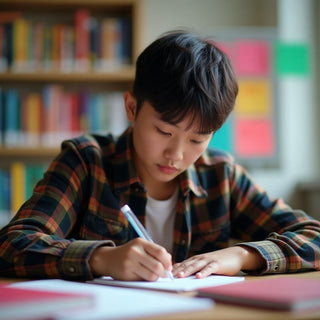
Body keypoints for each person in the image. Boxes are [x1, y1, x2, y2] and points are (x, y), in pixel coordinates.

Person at [0, 30, 319, 282]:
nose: (176, 155)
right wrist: (102, 258)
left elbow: (314, 237)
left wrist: (240, 255)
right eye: (164, 132)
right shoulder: (86, 162)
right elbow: (11, 245)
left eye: (197, 139)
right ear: (131, 108)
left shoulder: (220, 175)